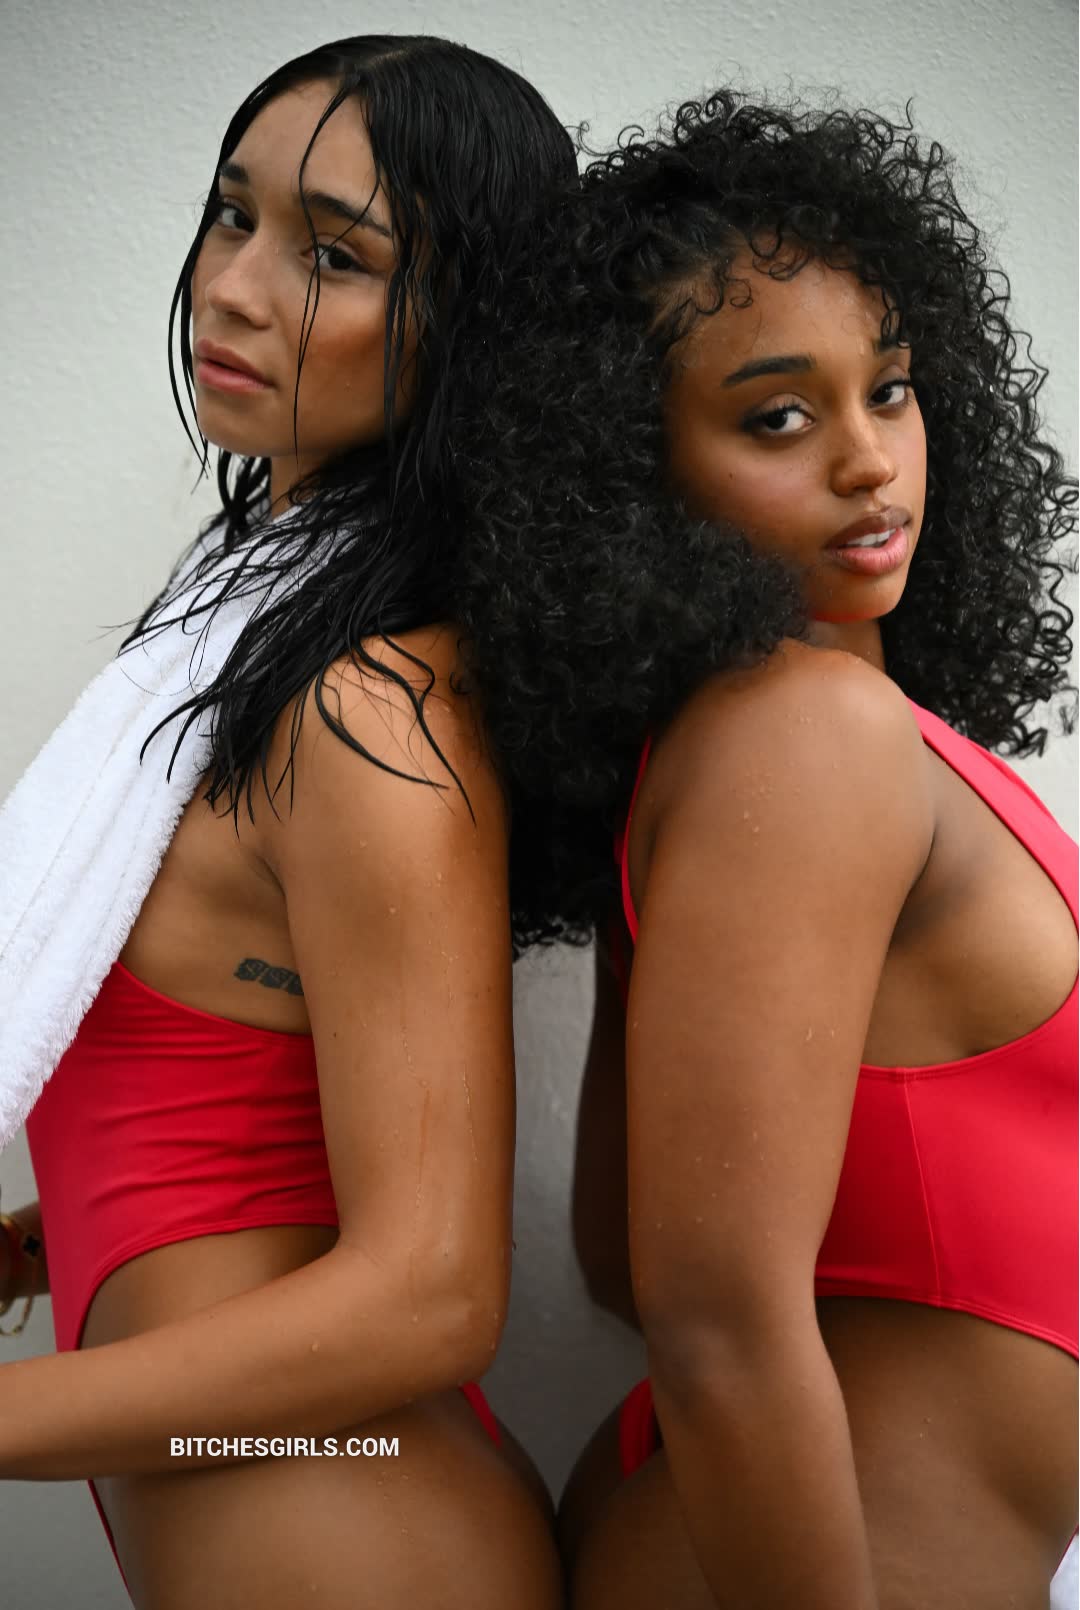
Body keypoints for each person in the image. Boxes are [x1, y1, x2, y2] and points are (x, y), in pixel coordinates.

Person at [451, 92, 1078, 1608]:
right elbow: (710, 1310)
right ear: (633, 474)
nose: (870, 460)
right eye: (778, 416)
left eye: (893, 388)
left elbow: (624, 1252)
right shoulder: (807, 736)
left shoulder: (773, 745)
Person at [0, 35, 574, 1610]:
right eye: (230, 213)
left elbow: (432, 1296)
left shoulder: (368, 709)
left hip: (352, 1534)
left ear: (471, 330)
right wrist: (53, 1231)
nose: (234, 288)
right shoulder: (248, 623)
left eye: (334, 255)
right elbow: (229, 1107)